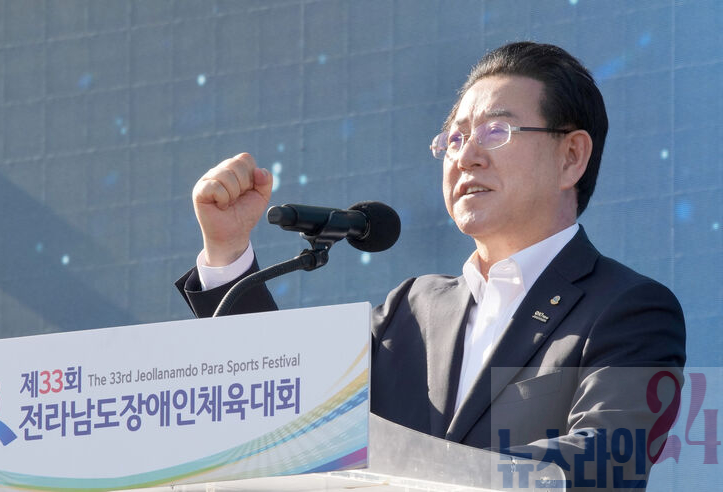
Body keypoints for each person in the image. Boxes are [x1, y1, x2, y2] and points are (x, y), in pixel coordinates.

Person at [175, 42, 685, 490]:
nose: (466, 157)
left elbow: (605, 463)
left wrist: (416, 478)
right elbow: (287, 410)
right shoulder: (412, 310)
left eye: (496, 131)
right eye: (455, 140)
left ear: (571, 156)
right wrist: (228, 251)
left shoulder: (628, 309)